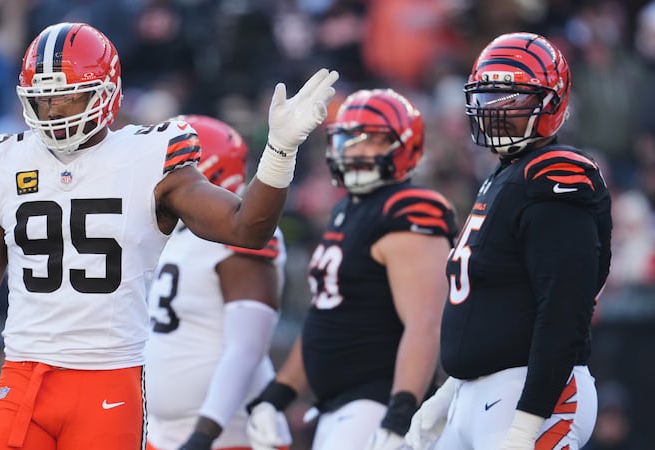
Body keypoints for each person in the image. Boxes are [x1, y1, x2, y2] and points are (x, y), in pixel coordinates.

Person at [0, 22, 338, 450]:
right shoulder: (2, 162)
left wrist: (281, 150)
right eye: (45, 98)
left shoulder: (147, 159)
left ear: (107, 92)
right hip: (23, 375)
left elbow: (248, 227)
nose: (56, 111)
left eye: (68, 95)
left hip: (109, 381)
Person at [405, 32, 612, 450]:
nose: (494, 110)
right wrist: (450, 392)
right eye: (488, 96)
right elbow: (488, 305)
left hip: (532, 395)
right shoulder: (504, 176)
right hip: (478, 396)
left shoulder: (554, 176)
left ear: (551, 102)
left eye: (510, 97)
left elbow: (563, 311)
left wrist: (529, 419)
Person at [245, 88, 457, 450]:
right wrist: (276, 396)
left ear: (405, 146)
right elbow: (325, 317)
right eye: (348, 139)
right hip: (336, 406)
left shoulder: (409, 209)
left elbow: (426, 323)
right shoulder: (347, 210)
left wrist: (398, 414)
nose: (356, 150)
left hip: (376, 401)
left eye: (373, 141)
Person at [144, 114, 291, 450]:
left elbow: (247, 348)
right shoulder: (176, 233)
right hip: (162, 431)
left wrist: (204, 435)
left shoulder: (239, 234)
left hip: (228, 434)